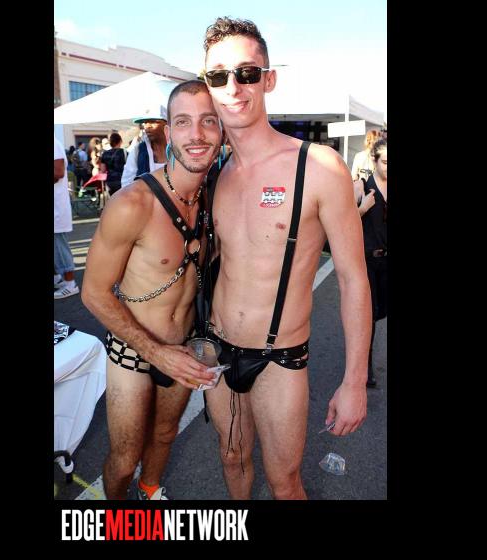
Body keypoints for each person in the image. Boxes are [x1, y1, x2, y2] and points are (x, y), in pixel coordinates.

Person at [200, 17, 371, 500]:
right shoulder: (214, 171)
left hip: (279, 360)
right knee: (232, 458)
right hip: (217, 351)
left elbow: (353, 279)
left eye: (247, 73)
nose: (233, 87)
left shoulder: (317, 166)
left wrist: (354, 381)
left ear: (268, 79)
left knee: (285, 483)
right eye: (218, 76)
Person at [81, 80, 223, 500]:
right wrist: (156, 352)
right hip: (133, 349)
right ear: (168, 130)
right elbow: (93, 293)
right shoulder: (132, 204)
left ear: (221, 130)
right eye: (183, 122)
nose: (196, 134)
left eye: (208, 121)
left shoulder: (217, 198)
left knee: (164, 434)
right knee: (125, 458)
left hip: (186, 344)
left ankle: (151, 490)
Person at [354, 138, 387, 388]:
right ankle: (364, 366)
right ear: (374, 161)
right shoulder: (362, 186)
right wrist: (363, 208)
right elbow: (342, 222)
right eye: (385, 161)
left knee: (381, 311)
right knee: (370, 316)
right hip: (367, 262)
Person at [54, 135, 80, 299]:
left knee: (60, 246)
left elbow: (58, 172)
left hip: (56, 207)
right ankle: (58, 279)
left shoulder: (54, 144)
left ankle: (70, 284)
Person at [121, 112, 168, 187]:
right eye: (145, 123)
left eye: (153, 122)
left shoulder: (178, 149)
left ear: (167, 124)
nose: (147, 126)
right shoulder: (138, 151)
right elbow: (127, 183)